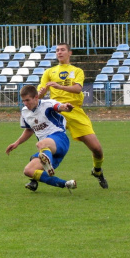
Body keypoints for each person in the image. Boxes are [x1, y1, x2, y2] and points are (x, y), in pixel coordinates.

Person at [37, 43, 108, 189]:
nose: (59, 52)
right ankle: (34, 176)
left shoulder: (77, 71)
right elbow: (40, 93)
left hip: (74, 111)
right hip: (55, 112)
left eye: (62, 50)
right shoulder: (49, 72)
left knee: (97, 148)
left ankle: (97, 171)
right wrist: (41, 92)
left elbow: (77, 89)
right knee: (46, 147)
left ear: (70, 52)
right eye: (57, 50)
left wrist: (59, 86)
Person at [6, 85, 77, 193]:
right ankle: (66, 183)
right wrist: (17, 143)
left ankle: (46, 163)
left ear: (36, 97)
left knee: (41, 144)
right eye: (23, 101)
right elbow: (29, 130)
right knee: (28, 170)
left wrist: (66, 107)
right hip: (47, 150)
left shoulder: (47, 104)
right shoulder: (25, 112)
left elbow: (59, 106)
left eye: (27, 100)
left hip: (59, 139)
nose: (25, 103)